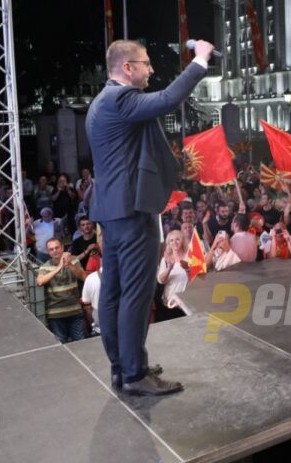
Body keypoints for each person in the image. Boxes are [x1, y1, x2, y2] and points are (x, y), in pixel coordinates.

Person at [86, 37, 213, 396]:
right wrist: (199, 60)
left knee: (114, 292)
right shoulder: (120, 99)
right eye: (145, 63)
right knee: (137, 295)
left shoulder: (101, 102)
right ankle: (135, 373)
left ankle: (122, 366)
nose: (151, 69)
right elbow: (168, 99)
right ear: (128, 68)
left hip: (113, 211)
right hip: (131, 211)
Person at [36, 238, 87, 343]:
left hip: (75, 310)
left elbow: (84, 277)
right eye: (51, 249)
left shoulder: (74, 261)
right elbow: (40, 281)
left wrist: (70, 265)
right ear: (48, 252)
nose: (55, 251)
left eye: (57, 248)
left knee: (81, 343)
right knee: (61, 344)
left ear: (62, 248)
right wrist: (59, 268)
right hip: (56, 313)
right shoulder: (45, 266)